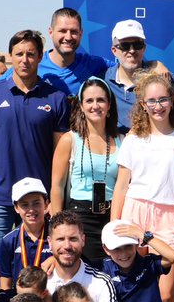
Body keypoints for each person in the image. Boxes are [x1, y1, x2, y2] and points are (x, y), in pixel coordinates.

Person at [0, 29, 70, 258]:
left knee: (40, 268)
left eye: (31, 54)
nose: (25, 59)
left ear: (41, 57)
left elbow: (61, 154)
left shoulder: (56, 98)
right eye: (19, 53)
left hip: (39, 199)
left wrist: (55, 197)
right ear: (11, 56)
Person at [111, 72, 174, 302]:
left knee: (166, 295)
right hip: (133, 212)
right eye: (152, 101)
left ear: (172, 100)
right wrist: (113, 226)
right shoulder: (132, 140)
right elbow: (120, 186)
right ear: (142, 104)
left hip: (168, 217)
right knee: (134, 288)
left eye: (163, 100)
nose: (158, 106)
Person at [50, 77, 122, 264]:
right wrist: (57, 227)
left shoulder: (123, 141)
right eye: (89, 100)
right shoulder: (69, 140)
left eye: (100, 100)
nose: (95, 105)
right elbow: (57, 186)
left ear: (109, 105)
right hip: (80, 218)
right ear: (81, 106)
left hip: (113, 217)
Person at [102, 19, 174, 132]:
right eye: (125, 46)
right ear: (114, 50)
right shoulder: (103, 81)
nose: (132, 50)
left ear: (144, 48)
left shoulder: (162, 78)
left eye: (137, 45)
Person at [0, 178, 52, 290]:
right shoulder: (8, 241)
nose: (31, 210)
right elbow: (5, 285)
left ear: (46, 204)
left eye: (36, 203)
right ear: (16, 208)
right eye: (25, 205)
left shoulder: (58, 235)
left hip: (52, 300)